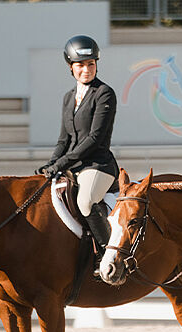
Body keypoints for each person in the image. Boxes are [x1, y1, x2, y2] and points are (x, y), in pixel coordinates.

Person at [36, 35, 119, 253]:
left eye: (91, 64)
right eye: (80, 65)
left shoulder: (104, 93)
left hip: (97, 166)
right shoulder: (68, 97)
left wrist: (61, 164)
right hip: (74, 166)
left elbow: (94, 139)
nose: (86, 69)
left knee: (85, 202)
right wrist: (51, 163)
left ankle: (109, 256)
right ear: (71, 67)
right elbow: (64, 139)